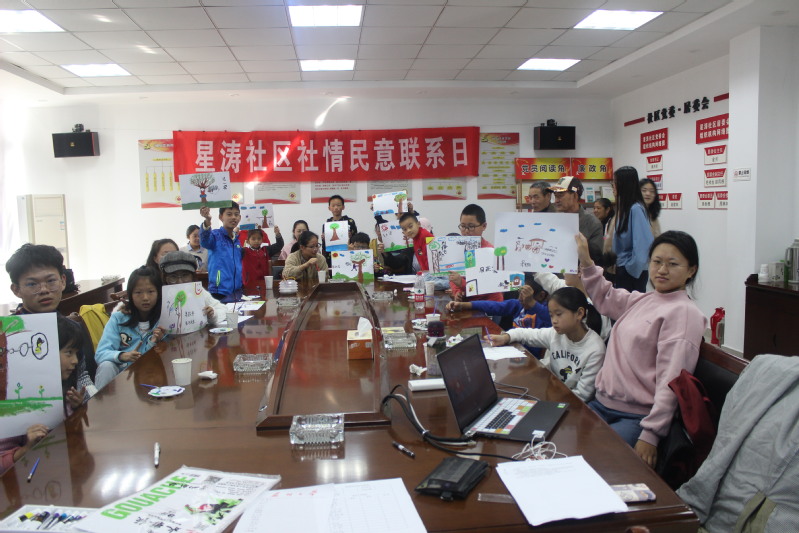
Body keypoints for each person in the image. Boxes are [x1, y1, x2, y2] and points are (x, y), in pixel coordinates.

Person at [576, 230, 707, 467]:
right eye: (657, 262)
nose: (662, 270)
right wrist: (586, 262)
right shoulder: (646, 299)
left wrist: (651, 435)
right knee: (563, 446)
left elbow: (672, 379)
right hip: (601, 405)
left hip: (636, 417)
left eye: (672, 264)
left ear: (691, 270)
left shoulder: (684, 314)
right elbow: (606, 297)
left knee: (595, 464)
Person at [1, 314, 94, 473]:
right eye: (69, 353)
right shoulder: (11, 402)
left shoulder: (65, 389)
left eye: (76, 353)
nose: (75, 361)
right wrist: (25, 450)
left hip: (57, 465)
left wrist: (77, 409)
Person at [486, 287, 605, 402]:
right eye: (551, 315)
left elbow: (583, 395)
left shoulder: (595, 349)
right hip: (551, 390)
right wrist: (505, 337)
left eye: (559, 314)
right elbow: (525, 334)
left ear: (579, 313)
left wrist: (550, 400)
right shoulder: (555, 334)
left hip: (571, 403)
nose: (554, 321)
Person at [6, 244, 98, 382]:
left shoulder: (73, 328)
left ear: (63, 281)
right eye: (32, 284)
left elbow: (83, 376)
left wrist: (86, 392)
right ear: (16, 290)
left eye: (51, 281)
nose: (44, 290)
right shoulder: (6, 333)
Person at [94, 266, 167, 390]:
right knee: (106, 366)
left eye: (150, 291)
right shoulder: (118, 318)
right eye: (138, 292)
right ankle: (100, 401)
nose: (145, 297)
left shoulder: (165, 319)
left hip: (153, 375)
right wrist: (122, 356)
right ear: (130, 294)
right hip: (123, 377)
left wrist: (156, 342)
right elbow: (100, 354)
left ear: (159, 293)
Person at [447, 278, 551, 357]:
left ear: (541, 295)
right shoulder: (518, 304)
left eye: (525, 296)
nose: (520, 298)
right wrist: (463, 305)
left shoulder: (547, 312)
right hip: (511, 347)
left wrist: (532, 304)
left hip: (529, 356)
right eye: (519, 293)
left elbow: (549, 320)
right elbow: (493, 306)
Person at [448, 204, 503, 303]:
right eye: (463, 226)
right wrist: (457, 292)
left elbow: (485, 288)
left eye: (471, 227)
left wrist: (462, 284)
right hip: (467, 303)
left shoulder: (489, 252)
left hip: (489, 304)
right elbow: (453, 277)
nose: (466, 231)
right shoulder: (458, 249)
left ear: (484, 226)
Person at [612, 167, 654, 292]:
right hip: (623, 268)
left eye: (615, 183)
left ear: (624, 185)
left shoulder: (635, 209)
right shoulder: (625, 209)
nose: (613, 187)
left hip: (632, 273)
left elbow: (643, 245)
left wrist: (630, 269)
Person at [159, 251, 227, 326]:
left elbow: (223, 309)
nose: (180, 282)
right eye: (173, 277)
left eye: (185, 275)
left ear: (193, 276)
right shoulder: (159, 295)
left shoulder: (198, 292)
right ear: (165, 278)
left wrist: (212, 314)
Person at [549, 176, 603, 265]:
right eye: (555, 196)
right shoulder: (553, 220)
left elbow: (596, 260)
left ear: (575, 195)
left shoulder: (592, 223)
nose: (556, 201)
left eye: (560, 196)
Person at [199, 202, 243, 301]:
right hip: (219, 291)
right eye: (229, 214)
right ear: (220, 217)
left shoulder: (237, 240)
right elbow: (204, 241)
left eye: (236, 214)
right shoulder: (215, 236)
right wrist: (207, 220)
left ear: (239, 218)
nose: (233, 217)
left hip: (236, 290)